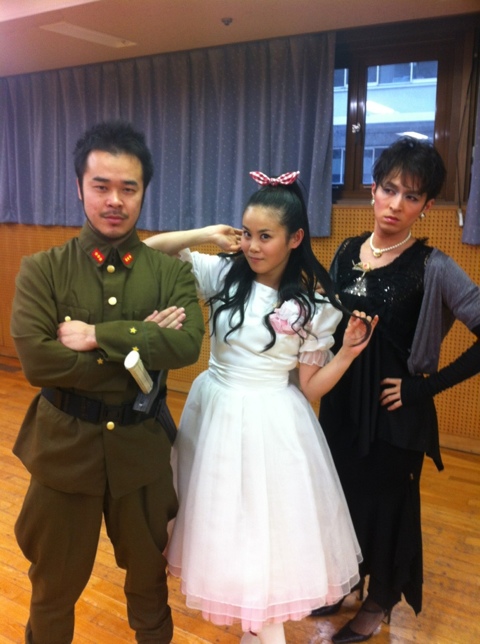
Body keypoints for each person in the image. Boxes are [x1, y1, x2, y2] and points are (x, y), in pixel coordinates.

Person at [144, 170, 378, 644]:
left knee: (263, 533)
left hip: (271, 421)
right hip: (214, 413)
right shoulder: (221, 275)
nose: (252, 246)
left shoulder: (311, 307)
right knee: (221, 525)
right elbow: (152, 250)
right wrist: (206, 234)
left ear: (295, 239)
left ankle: (262, 631)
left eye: (265, 236)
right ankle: (253, 630)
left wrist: (348, 353)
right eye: (247, 233)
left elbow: (310, 389)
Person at [10, 120, 205, 644]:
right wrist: (142, 342)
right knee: (53, 587)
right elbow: (38, 362)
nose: (114, 200)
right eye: (101, 186)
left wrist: (98, 335)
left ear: (144, 192)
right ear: (79, 188)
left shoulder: (170, 273)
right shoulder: (42, 270)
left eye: (128, 188)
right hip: (63, 452)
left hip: (141, 453)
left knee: (148, 582)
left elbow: (187, 345)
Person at [313, 137, 480, 643]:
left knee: (387, 507)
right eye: (389, 189)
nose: (395, 205)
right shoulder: (347, 250)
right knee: (343, 498)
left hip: (394, 411)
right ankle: (349, 581)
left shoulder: (434, 265)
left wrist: (423, 389)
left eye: (411, 196)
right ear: (373, 189)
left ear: (427, 206)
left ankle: (381, 598)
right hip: (341, 404)